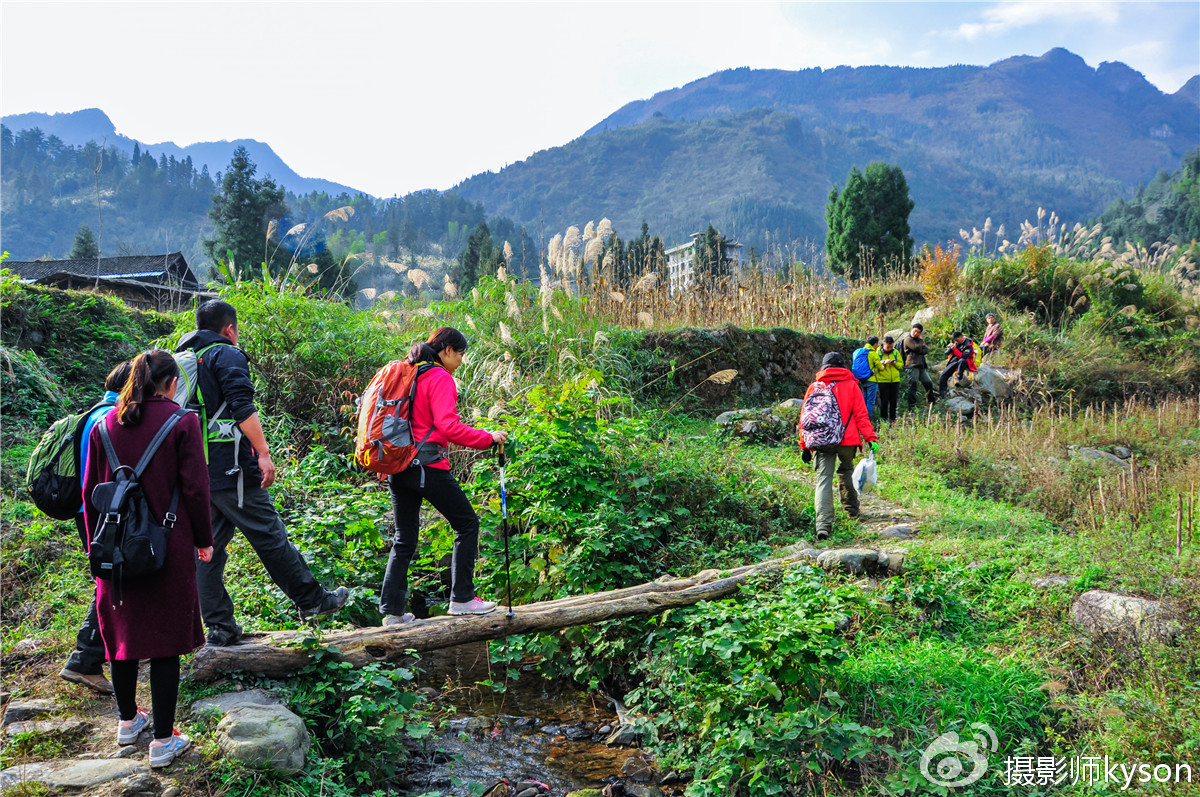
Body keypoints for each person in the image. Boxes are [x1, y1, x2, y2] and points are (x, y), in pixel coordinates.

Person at [176, 300, 347, 647]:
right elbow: (242, 407)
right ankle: (312, 601)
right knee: (269, 534)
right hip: (232, 469)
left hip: (197, 469)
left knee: (207, 548)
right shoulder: (226, 354)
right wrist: (264, 454)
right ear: (230, 329)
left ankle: (219, 626)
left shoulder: (184, 358)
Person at [82, 350, 215, 768]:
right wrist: (205, 539)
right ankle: (162, 741)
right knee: (164, 643)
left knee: (122, 636)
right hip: (166, 546)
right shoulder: (182, 421)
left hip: (114, 548)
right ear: (172, 383)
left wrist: (97, 544)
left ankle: (127, 722)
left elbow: (90, 494)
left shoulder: (105, 424)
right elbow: (195, 488)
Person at [379, 327, 508, 624]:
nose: (461, 360)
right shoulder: (439, 377)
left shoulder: (410, 373)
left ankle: (391, 613)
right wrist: (487, 438)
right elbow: (448, 426)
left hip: (398, 466)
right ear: (447, 350)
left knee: (404, 538)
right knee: (467, 524)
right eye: (461, 354)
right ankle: (462, 599)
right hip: (427, 466)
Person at [60, 359, 133, 694]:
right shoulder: (108, 417)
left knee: (112, 574)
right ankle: (85, 660)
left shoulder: (94, 412)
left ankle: (107, 649)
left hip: (91, 507)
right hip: (100, 509)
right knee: (110, 575)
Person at [799, 352, 878, 541]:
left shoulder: (815, 386)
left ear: (824, 367)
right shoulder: (852, 386)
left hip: (821, 441)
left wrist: (804, 445)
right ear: (843, 366)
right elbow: (861, 415)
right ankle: (852, 511)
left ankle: (823, 526)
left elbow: (804, 418)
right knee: (846, 471)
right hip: (847, 440)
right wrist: (870, 438)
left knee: (823, 479)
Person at [899, 323, 936, 407]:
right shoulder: (908, 339)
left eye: (918, 332)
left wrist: (921, 348)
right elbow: (916, 348)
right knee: (913, 385)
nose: (916, 333)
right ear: (911, 329)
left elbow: (926, 350)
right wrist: (921, 342)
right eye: (915, 331)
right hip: (912, 365)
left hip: (920, 365)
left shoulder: (917, 340)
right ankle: (911, 406)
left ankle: (931, 401)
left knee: (928, 383)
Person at [939, 331, 978, 398]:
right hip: (955, 360)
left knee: (962, 360)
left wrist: (955, 349)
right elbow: (948, 353)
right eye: (955, 340)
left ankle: (958, 377)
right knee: (943, 376)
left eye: (957, 340)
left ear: (961, 337)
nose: (956, 342)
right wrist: (951, 348)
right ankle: (943, 395)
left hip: (965, 361)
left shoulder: (968, 345)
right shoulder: (956, 343)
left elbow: (963, 356)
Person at [875, 336, 903, 423]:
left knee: (893, 401)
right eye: (888, 347)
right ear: (883, 344)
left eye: (891, 347)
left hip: (895, 380)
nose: (890, 349)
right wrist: (882, 363)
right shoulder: (877, 353)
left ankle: (893, 419)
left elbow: (901, 365)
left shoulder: (895, 352)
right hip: (883, 380)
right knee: (884, 401)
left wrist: (894, 363)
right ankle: (884, 420)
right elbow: (874, 366)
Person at [854, 336, 881, 420]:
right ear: (875, 344)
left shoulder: (861, 352)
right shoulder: (872, 353)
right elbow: (880, 367)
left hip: (862, 379)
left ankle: (861, 418)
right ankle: (868, 419)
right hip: (871, 380)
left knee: (864, 401)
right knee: (870, 402)